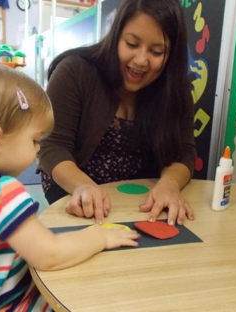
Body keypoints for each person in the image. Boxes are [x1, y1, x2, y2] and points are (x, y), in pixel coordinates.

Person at [0, 62, 140, 312]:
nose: (39, 149)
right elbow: (49, 255)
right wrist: (100, 236)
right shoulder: (0, 193)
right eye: (35, 140)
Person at [38, 0, 196, 226]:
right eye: (132, 44)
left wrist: (169, 184)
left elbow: (184, 152)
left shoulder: (175, 90)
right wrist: (83, 186)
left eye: (156, 51)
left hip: (141, 197)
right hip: (73, 187)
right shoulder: (75, 70)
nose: (141, 61)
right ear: (115, 37)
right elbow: (51, 146)